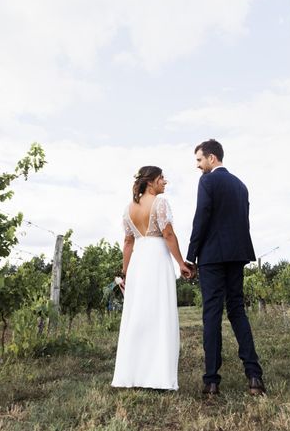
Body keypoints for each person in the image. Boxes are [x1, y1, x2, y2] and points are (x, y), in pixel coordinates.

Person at [186, 139, 265, 396]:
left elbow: (202, 217)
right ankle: (254, 377)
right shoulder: (241, 186)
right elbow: (244, 221)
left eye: (199, 160)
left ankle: (211, 381)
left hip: (212, 256)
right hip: (237, 254)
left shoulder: (207, 181)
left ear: (211, 158)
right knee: (237, 310)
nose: (197, 166)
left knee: (211, 314)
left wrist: (191, 255)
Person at [112, 166, 192, 390]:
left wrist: (125, 273)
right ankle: (158, 377)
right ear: (151, 182)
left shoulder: (129, 209)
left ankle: (132, 375)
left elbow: (128, 243)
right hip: (157, 260)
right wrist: (181, 263)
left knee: (138, 315)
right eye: (161, 179)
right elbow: (167, 234)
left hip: (138, 263)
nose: (165, 182)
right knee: (160, 313)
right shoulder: (160, 204)